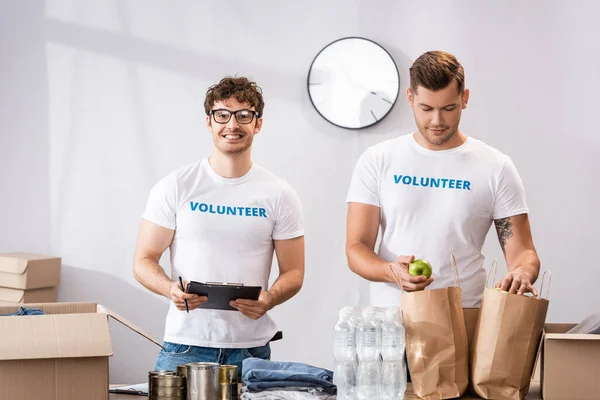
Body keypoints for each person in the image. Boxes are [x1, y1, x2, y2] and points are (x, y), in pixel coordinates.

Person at [133, 76, 305, 375]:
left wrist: (271, 298)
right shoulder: (176, 186)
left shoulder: (279, 193)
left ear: (258, 123)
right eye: (222, 115)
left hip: (251, 349)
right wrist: (169, 289)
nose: (232, 125)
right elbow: (143, 260)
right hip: (184, 345)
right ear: (209, 122)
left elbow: (294, 272)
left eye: (243, 115)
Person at [345, 50, 541, 309]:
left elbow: (523, 253)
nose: (437, 121)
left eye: (448, 108)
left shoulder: (496, 167)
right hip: (391, 324)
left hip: (464, 319)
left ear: (465, 98)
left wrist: (521, 273)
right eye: (426, 108)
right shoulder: (378, 160)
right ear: (410, 98)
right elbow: (356, 248)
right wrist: (390, 271)